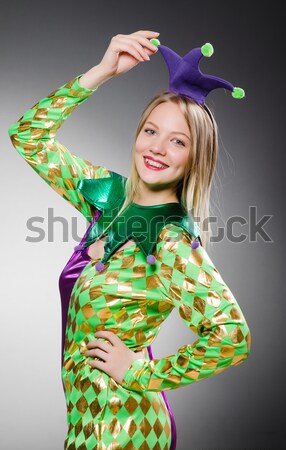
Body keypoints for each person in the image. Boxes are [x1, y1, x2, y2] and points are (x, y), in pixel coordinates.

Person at [8, 30, 251, 450]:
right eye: (151, 131)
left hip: (123, 427)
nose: (157, 148)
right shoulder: (109, 198)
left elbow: (231, 337)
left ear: (196, 157)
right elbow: (28, 136)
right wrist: (101, 73)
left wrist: (140, 374)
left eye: (178, 141)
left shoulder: (171, 241)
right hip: (88, 417)